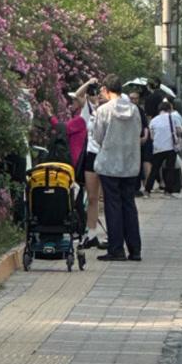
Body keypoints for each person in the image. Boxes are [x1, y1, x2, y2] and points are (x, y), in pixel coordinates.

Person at [93, 74, 143, 261]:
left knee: (112, 206)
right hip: (130, 164)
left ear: (106, 90)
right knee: (129, 204)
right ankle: (135, 249)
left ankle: (116, 249)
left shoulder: (103, 110)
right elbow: (138, 132)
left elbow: (98, 136)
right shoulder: (135, 110)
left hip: (110, 164)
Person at [74, 80, 104, 248]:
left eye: (97, 93)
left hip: (107, 156)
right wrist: (88, 83)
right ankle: (90, 233)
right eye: (92, 94)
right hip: (92, 155)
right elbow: (78, 95)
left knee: (107, 198)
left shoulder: (109, 109)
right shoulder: (88, 110)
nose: (95, 96)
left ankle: (113, 235)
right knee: (92, 197)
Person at [146, 99, 182, 195]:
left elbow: (152, 136)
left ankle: (147, 189)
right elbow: (179, 131)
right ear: (169, 109)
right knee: (170, 168)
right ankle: (168, 190)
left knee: (155, 169)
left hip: (158, 147)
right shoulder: (174, 118)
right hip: (171, 147)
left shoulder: (153, 120)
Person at [129, 89, 151, 196]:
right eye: (132, 98)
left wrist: (145, 136)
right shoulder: (127, 110)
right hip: (131, 141)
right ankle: (133, 187)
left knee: (139, 163)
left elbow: (145, 125)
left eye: (136, 98)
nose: (134, 100)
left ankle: (137, 186)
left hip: (141, 140)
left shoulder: (140, 110)